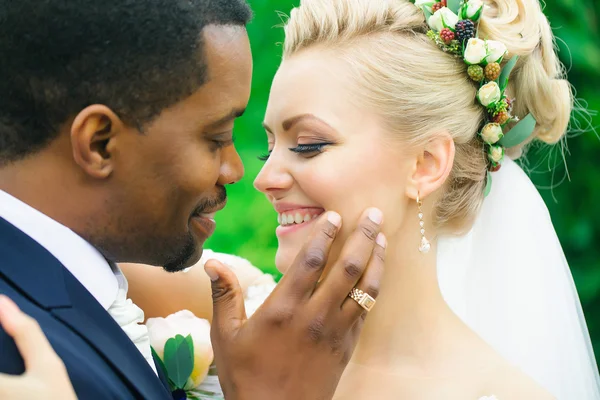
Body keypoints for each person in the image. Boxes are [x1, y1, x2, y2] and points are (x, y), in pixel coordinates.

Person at [124, 0, 599, 398]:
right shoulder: (241, 312)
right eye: (270, 146)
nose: (264, 178)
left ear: (426, 164)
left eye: (308, 144)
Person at [0, 0, 387, 399]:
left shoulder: (93, 282)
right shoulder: (20, 357)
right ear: (100, 143)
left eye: (308, 145)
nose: (238, 171)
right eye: (216, 139)